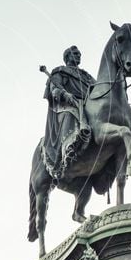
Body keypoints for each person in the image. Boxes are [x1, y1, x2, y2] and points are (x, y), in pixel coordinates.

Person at [41, 46, 95, 179]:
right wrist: (65, 95)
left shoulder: (86, 76)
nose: (78, 56)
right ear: (67, 57)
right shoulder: (60, 72)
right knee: (71, 114)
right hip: (68, 104)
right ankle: (68, 147)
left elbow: (98, 88)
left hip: (88, 103)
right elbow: (54, 89)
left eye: (79, 54)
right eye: (75, 54)